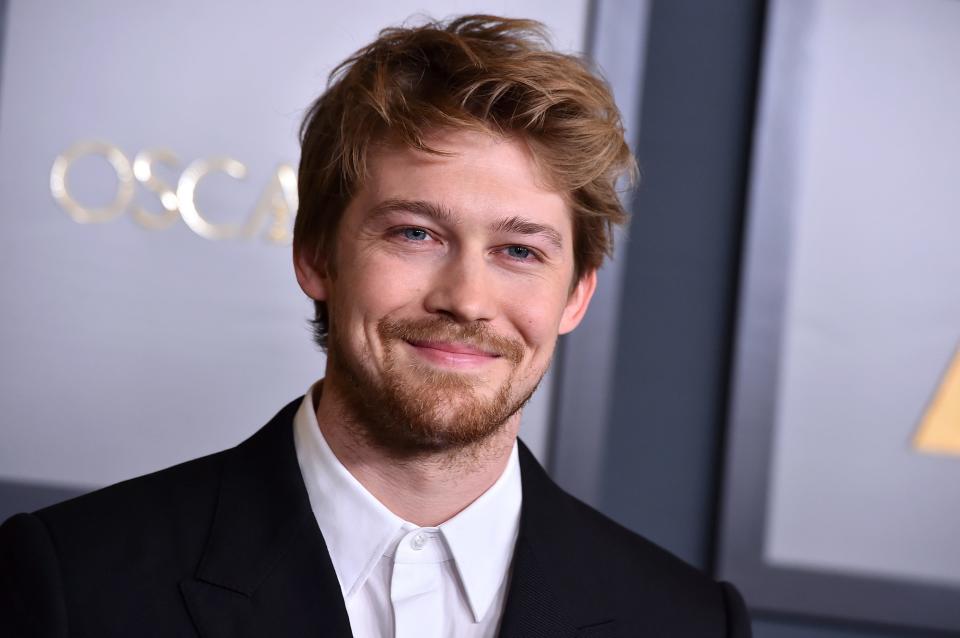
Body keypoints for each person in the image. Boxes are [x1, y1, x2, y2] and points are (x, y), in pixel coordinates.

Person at [0, 15, 751, 638]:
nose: (467, 298)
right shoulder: (72, 582)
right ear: (315, 255)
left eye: (519, 250)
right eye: (415, 234)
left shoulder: (688, 623)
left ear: (576, 295)